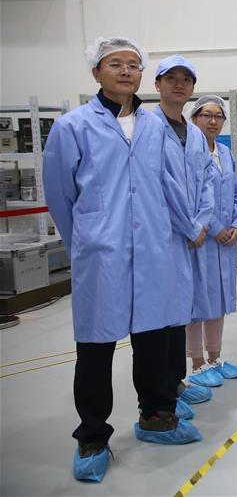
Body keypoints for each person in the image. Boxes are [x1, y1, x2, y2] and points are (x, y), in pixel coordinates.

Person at [43, 37, 203, 483]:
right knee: (95, 346)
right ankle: (92, 435)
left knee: (153, 337)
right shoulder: (73, 126)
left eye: (134, 64)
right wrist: (87, 241)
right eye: (116, 64)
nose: (126, 71)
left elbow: (170, 183)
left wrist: (187, 227)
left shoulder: (154, 126)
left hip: (153, 247)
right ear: (96, 72)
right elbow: (59, 193)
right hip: (102, 252)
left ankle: (156, 416)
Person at [151, 55, 219, 409]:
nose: (179, 84)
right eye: (170, 78)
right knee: (161, 319)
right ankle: (162, 392)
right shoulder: (147, 128)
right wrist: (190, 225)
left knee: (181, 313)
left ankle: (176, 383)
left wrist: (203, 221)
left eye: (186, 79)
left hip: (194, 235)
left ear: (192, 88)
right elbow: (160, 184)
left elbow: (209, 179)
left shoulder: (194, 134)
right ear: (157, 84)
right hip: (164, 237)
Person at [188, 95, 237, 381]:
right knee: (199, 301)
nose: (213, 121)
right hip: (202, 240)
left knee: (219, 300)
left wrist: (236, 225)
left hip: (225, 243)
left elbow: (236, 194)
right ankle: (197, 364)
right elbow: (193, 199)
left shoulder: (224, 153)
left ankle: (215, 357)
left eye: (218, 116)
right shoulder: (189, 152)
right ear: (194, 118)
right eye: (206, 115)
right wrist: (217, 228)